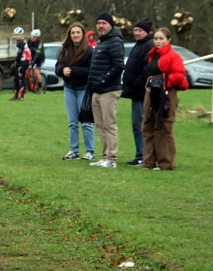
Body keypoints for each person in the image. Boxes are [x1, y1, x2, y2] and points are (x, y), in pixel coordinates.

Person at [141, 28, 188, 170]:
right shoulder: (152, 56)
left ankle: (166, 163)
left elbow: (180, 76)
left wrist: (162, 81)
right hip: (150, 93)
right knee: (147, 126)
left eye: (161, 39)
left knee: (164, 127)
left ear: (168, 40)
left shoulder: (173, 57)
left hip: (166, 95)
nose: (158, 41)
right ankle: (148, 162)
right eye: (155, 39)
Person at [86, 13, 124, 168]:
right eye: (98, 23)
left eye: (104, 23)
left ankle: (111, 159)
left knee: (109, 124)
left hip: (109, 90)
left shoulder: (115, 41)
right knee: (100, 125)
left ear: (110, 25)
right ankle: (104, 156)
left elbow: (118, 65)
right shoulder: (101, 41)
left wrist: (104, 79)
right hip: (96, 90)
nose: (100, 26)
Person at [56, 22, 95, 160]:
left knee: (85, 122)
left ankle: (90, 151)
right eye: (73, 33)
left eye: (78, 32)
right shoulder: (65, 50)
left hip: (83, 89)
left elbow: (91, 71)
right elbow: (57, 67)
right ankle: (74, 151)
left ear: (83, 34)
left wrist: (72, 71)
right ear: (70, 35)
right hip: (69, 89)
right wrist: (62, 70)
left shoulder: (89, 51)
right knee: (72, 122)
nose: (75, 35)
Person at [121, 19, 155, 166]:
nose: (136, 33)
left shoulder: (148, 45)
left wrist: (136, 83)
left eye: (139, 30)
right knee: (136, 124)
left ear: (146, 32)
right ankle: (140, 153)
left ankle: (143, 155)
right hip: (135, 92)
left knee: (140, 124)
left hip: (141, 92)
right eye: (135, 30)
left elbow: (146, 69)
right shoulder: (140, 44)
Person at [11, 26, 31, 100]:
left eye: (18, 35)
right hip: (21, 62)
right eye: (15, 35)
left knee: (20, 79)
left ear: (22, 35)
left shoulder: (21, 43)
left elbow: (19, 54)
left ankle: (21, 96)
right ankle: (15, 96)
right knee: (16, 79)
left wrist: (16, 62)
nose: (16, 36)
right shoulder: (19, 43)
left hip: (23, 62)